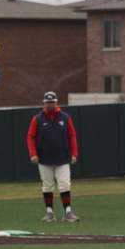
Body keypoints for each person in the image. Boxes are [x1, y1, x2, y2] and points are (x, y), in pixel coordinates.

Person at [27, 91, 80, 222]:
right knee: (47, 186)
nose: (50, 104)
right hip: (44, 158)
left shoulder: (65, 117)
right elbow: (31, 136)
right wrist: (33, 153)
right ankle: (49, 213)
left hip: (62, 158)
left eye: (52, 102)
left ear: (56, 102)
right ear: (44, 103)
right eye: (48, 102)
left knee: (65, 185)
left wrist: (73, 154)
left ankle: (67, 213)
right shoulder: (38, 118)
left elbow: (72, 136)